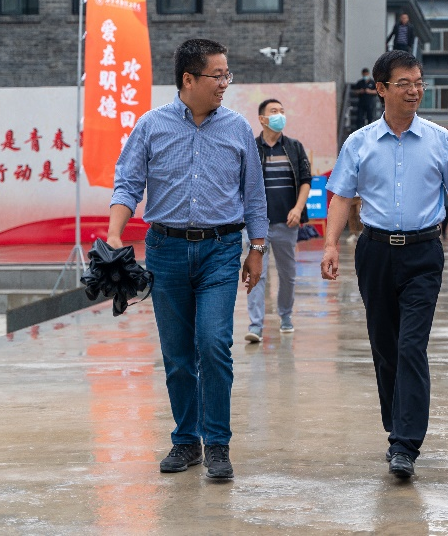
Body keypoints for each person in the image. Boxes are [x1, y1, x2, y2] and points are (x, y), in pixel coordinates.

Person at [107, 38, 269, 481]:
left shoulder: (237, 128)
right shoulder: (151, 126)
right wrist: (114, 235)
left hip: (221, 250)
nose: (224, 83)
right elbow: (128, 183)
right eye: (217, 75)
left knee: (214, 344)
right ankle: (185, 441)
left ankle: (217, 444)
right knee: (178, 354)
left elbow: (254, 196)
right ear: (188, 79)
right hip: (167, 251)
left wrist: (257, 250)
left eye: (227, 74)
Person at [321, 50, 448, 479]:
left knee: (411, 346)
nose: (414, 91)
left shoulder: (439, 139)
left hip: (423, 252)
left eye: (419, 83)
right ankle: (396, 428)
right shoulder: (359, 142)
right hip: (374, 252)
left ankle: (406, 443)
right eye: (404, 83)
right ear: (381, 89)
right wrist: (331, 244)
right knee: (385, 346)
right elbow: (341, 196)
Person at [244, 98, 312, 343]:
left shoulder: (294, 147)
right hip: (257, 226)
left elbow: (306, 180)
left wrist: (298, 209)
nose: (279, 115)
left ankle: (285, 316)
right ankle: (255, 326)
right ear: (262, 119)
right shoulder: (251, 148)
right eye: (274, 111)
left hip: (287, 223)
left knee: (287, 273)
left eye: (282, 111)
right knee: (257, 274)